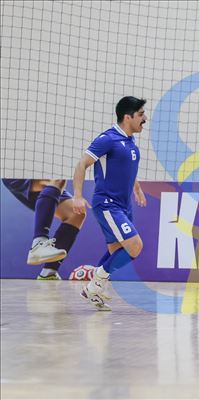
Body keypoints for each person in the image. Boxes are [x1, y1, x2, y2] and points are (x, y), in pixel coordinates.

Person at [72, 96, 148, 311]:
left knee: (117, 250)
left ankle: (94, 291)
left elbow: (126, 168)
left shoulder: (130, 141)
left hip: (124, 205)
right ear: (127, 117)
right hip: (107, 204)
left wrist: (136, 187)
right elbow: (82, 164)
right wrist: (77, 196)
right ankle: (95, 284)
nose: (145, 119)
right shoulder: (108, 139)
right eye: (141, 114)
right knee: (135, 246)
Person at [1, 178, 85, 279]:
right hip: (19, 172)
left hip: (45, 175)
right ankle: (38, 244)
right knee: (56, 180)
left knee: (76, 213)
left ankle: (48, 273)